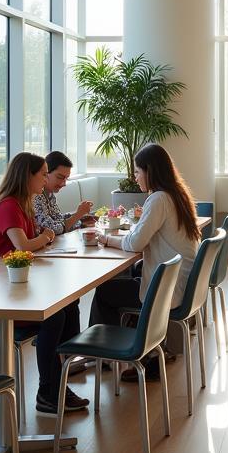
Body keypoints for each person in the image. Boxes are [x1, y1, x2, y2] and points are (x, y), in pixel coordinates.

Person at [0, 151, 89, 415]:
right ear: (29, 176)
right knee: (54, 316)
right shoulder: (8, 205)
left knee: (68, 305)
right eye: (43, 174)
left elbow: (30, 243)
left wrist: (44, 236)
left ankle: (59, 381)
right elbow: (24, 245)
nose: (46, 179)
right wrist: (46, 236)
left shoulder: (23, 203)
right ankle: (48, 393)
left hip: (11, 284)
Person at [89, 143, 201, 380]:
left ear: (150, 171)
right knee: (132, 275)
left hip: (167, 289)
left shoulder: (159, 199)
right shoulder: (177, 194)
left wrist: (106, 239)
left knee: (106, 292)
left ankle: (108, 354)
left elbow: (135, 243)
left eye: (138, 172)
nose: (136, 177)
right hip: (180, 281)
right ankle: (148, 352)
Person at [34, 150, 94, 235]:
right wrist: (78, 215)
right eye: (60, 177)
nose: (64, 183)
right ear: (45, 173)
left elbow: (58, 219)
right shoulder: (36, 196)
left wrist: (80, 218)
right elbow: (53, 230)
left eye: (66, 178)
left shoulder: (50, 195)